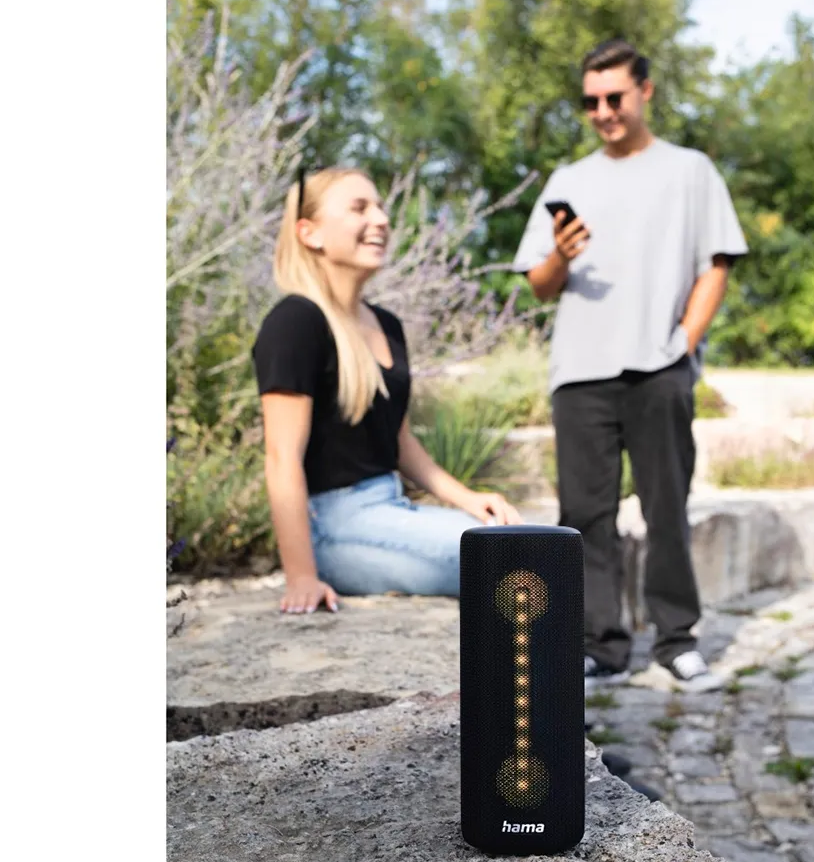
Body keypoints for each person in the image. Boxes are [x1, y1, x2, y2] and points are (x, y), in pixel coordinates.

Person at [512, 39, 748, 692]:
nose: (603, 112)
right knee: (584, 517)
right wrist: (561, 254)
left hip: (658, 368)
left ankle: (676, 642)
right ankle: (601, 647)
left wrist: (684, 342)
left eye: (614, 97)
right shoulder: (568, 181)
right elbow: (539, 284)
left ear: (645, 90)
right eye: (591, 101)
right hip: (580, 373)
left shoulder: (690, 171)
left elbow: (716, 264)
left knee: (666, 509)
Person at [252, 166, 522, 615]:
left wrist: (468, 499)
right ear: (309, 232)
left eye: (379, 207)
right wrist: (301, 576)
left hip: (391, 510)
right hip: (334, 529)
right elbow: (282, 458)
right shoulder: (295, 323)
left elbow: (399, 442)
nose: (380, 219)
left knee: (533, 540)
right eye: (359, 208)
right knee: (511, 560)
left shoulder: (386, 324)